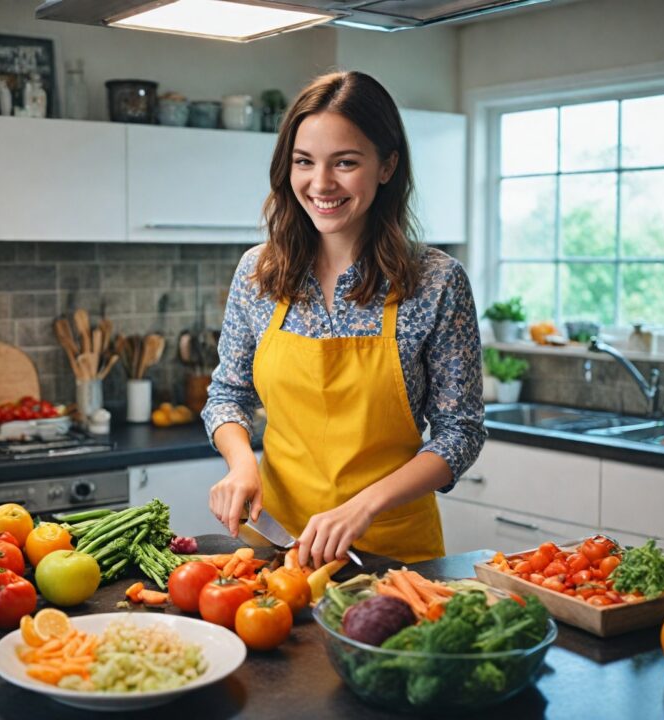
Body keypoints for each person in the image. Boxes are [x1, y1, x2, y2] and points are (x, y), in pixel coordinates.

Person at [202, 71, 486, 567]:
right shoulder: (258, 271)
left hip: (393, 553)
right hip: (277, 546)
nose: (321, 184)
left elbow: (460, 431)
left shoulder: (436, 282)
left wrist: (362, 507)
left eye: (346, 163)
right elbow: (229, 393)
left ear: (387, 165)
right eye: (304, 162)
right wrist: (241, 463)